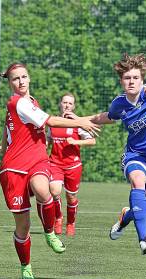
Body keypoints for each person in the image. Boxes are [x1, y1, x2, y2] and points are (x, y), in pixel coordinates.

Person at [67, 53, 146, 255]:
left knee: (144, 207)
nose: (131, 81)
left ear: (142, 79)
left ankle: (125, 219)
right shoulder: (119, 104)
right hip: (135, 154)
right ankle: (144, 240)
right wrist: (80, 119)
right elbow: (106, 116)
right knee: (138, 181)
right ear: (121, 81)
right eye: (127, 78)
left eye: (135, 78)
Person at [0, 63, 100, 279]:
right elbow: (48, 120)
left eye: (24, 77)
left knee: (44, 189)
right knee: (23, 227)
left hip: (37, 160)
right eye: (15, 79)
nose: (21, 81)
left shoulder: (30, 102)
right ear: (10, 83)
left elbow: (8, 126)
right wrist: (80, 121)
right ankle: (26, 266)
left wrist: (3, 144)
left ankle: (50, 233)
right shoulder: (17, 102)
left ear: (29, 78)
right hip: (13, 169)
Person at [47, 93, 96, 236]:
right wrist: (44, 146)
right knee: (55, 192)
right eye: (64, 102)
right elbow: (48, 140)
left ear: (73, 106)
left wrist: (76, 142)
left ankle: (71, 223)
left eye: (70, 103)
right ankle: (58, 218)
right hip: (55, 163)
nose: (67, 105)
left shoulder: (78, 124)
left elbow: (92, 141)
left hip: (73, 166)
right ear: (60, 104)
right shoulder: (54, 122)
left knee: (71, 197)